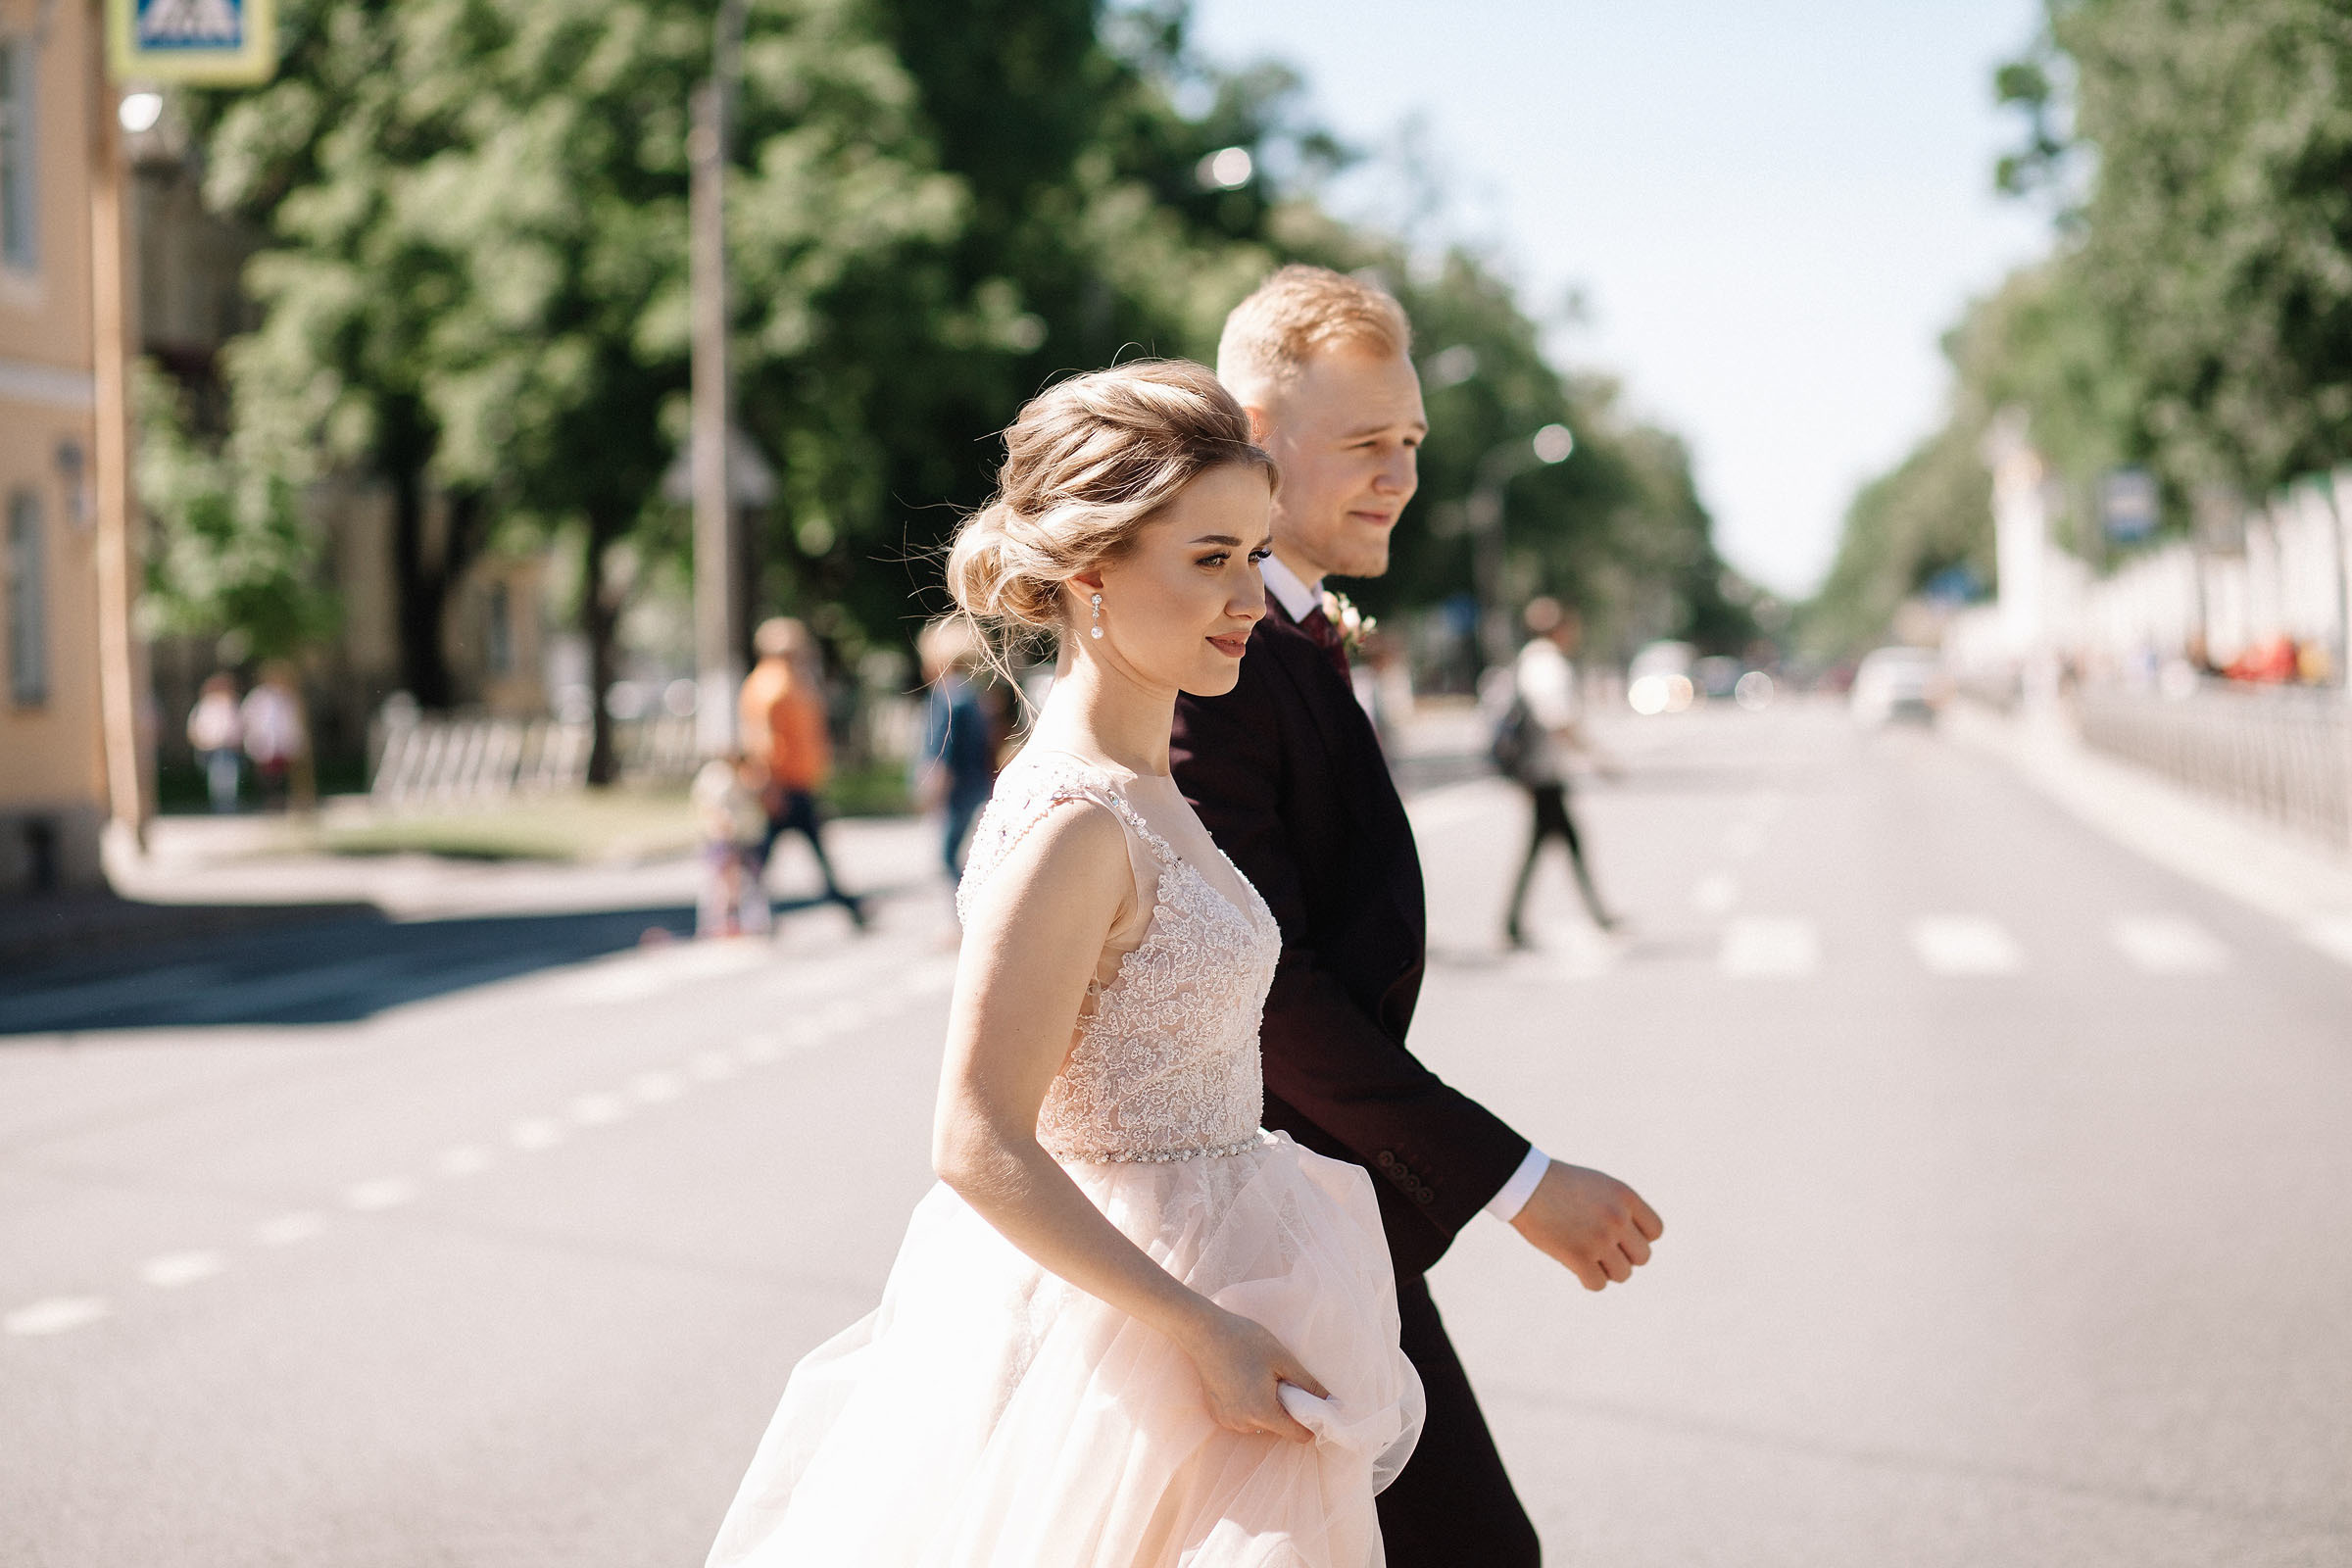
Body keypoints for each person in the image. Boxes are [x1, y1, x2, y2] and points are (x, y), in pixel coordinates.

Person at [708, 361, 1422, 1566]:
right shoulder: (1074, 822)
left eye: (1255, 553)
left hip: (1225, 1279)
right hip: (1120, 1344)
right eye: (1211, 558)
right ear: (1091, 572)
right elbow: (976, 1140)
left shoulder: (1154, 785)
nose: (1250, 595)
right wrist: (1199, 1330)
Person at [1169, 265, 1663, 1566]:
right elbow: (1266, 994)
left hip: (1321, 1213)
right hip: (1256, 1232)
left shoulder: (1290, 629)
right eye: (1365, 445)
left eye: (1414, 441)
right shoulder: (1217, 659)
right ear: (1257, 437)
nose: (1401, 476)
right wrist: (1518, 1182)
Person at [1500, 596, 1620, 945]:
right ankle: (1594, 916)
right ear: (1559, 628)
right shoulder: (1545, 663)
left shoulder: (1533, 660)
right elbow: (1556, 718)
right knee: (1565, 843)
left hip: (1543, 772)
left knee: (1552, 844)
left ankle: (1514, 923)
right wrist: (1596, 757)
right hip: (1542, 771)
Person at [737, 617, 866, 930]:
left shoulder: (793, 683)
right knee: (771, 855)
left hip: (798, 782)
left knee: (785, 854)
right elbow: (761, 742)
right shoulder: (771, 686)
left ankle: (755, 911)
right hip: (782, 784)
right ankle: (752, 911)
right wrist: (767, 786)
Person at [909, 614, 1003, 897]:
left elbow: (942, 747)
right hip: (976, 783)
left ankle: (967, 908)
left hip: (957, 788)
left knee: (948, 856)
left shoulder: (946, 695)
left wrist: (931, 786)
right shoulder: (973, 694)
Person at [692, 750, 773, 939]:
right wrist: (723, 833)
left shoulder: (746, 773)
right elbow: (712, 809)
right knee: (723, 884)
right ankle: (719, 922)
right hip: (723, 838)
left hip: (746, 837)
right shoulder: (717, 777)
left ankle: (747, 921)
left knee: (745, 882)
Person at [240, 663, 308, 813]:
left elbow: (292, 721)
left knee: (281, 774)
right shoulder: (258, 697)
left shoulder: (287, 696)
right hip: (264, 742)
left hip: (283, 743)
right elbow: (248, 717)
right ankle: (271, 801)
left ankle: (280, 801)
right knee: (268, 775)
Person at [186, 673, 244, 812]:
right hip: (209, 747)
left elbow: (238, 725)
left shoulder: (232, 704)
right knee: (216, 776)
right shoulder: (205, 705)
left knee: (226, 775)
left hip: (227, 747)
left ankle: (226, 804)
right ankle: (221, 803)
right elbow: (194, 726)